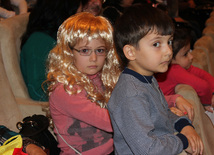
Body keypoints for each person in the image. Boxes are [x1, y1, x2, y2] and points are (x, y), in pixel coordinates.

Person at [107, 4, 203, 154]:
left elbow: (163, 114)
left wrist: (184, 125)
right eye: (156, 44)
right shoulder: (131, 94)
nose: (168, 51)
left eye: (169, 42)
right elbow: (148, 149)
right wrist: (183, 141)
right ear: (131, 52)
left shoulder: (147, 79)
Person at [46, 12, 121, 154]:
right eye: (85, 50)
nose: (94, 58)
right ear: (69, 52)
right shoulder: (65, 90)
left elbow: (133, 98)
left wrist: (170, 102)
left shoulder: (103, 78)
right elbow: (110, 123)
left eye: (100, 50)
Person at [20, 0, 90, 101]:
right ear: (64, 13)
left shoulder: (61, 39)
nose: (80, 20)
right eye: (76, 14)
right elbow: (37, 92)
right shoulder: (38, 42)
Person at [155, 26, 214, 113]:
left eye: (190, 51)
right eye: (185, 54)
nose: (191, 56)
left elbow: (203, 74)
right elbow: (203, 86)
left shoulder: (181, 66)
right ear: (170, 58)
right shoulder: (174, 70)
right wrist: (207, 103)